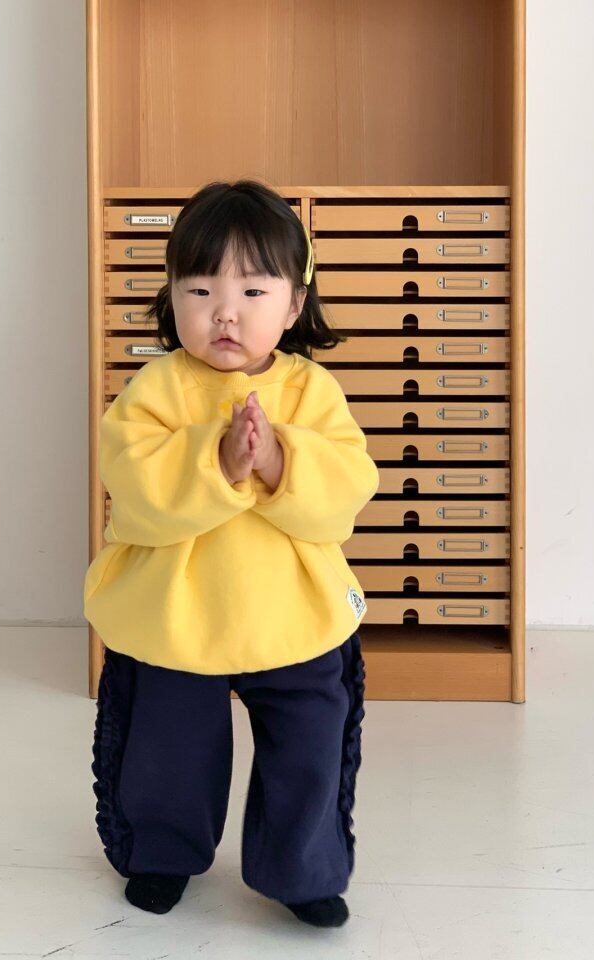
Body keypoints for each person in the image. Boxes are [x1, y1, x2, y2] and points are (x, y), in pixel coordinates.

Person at [84, 179, 380, 927]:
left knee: (309, 743)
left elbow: (347, 491)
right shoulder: (154, 389)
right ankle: (161, 852)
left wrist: (280, 461)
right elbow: (132, 489)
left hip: (293, 615)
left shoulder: (312, 391)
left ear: (295, 303)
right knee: (166, 747)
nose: (225, 311)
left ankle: (302, 868)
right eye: (199, 289)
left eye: (252, 289)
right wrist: (215, 461)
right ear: (171, 297)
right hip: (176, 617)